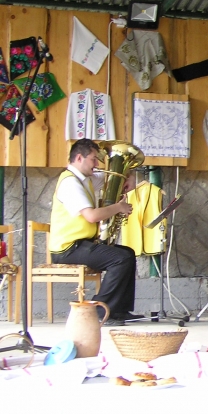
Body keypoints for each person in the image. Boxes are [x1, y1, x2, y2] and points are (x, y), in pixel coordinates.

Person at [49, 139, 141, 326]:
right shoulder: (70, 183)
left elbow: (119, 175)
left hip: (81, 244)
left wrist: (131, 176)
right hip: (68, 249)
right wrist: (118, 207)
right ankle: (99, 311)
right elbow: (91, 216)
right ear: (79, 158)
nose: (97, 164)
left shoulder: (86, 179)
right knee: (120, 259)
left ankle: (119, 310)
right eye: (93, 159)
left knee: (128, 253)